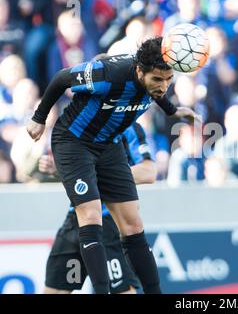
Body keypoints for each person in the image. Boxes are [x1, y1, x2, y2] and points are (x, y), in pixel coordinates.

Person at [26, 37, 201, 294]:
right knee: (91, 214)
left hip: (108, 145)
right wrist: (39, 118)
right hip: (74, 141)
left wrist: (173, 111)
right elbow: (63, 77)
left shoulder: (153, 84)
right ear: (139, 71)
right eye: (158, 80)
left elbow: (157, 92)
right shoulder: (109, 73)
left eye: (168, 80)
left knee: (133, 224)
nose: (163, 87)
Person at [42, 122, 155, 294]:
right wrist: (61, 169)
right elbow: (81, 174)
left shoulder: (128, 126)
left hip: (110, 222)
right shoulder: (78, 123)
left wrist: (101, 172)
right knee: (54, 290)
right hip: (77, 219)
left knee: (121, 290)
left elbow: (149, 172)